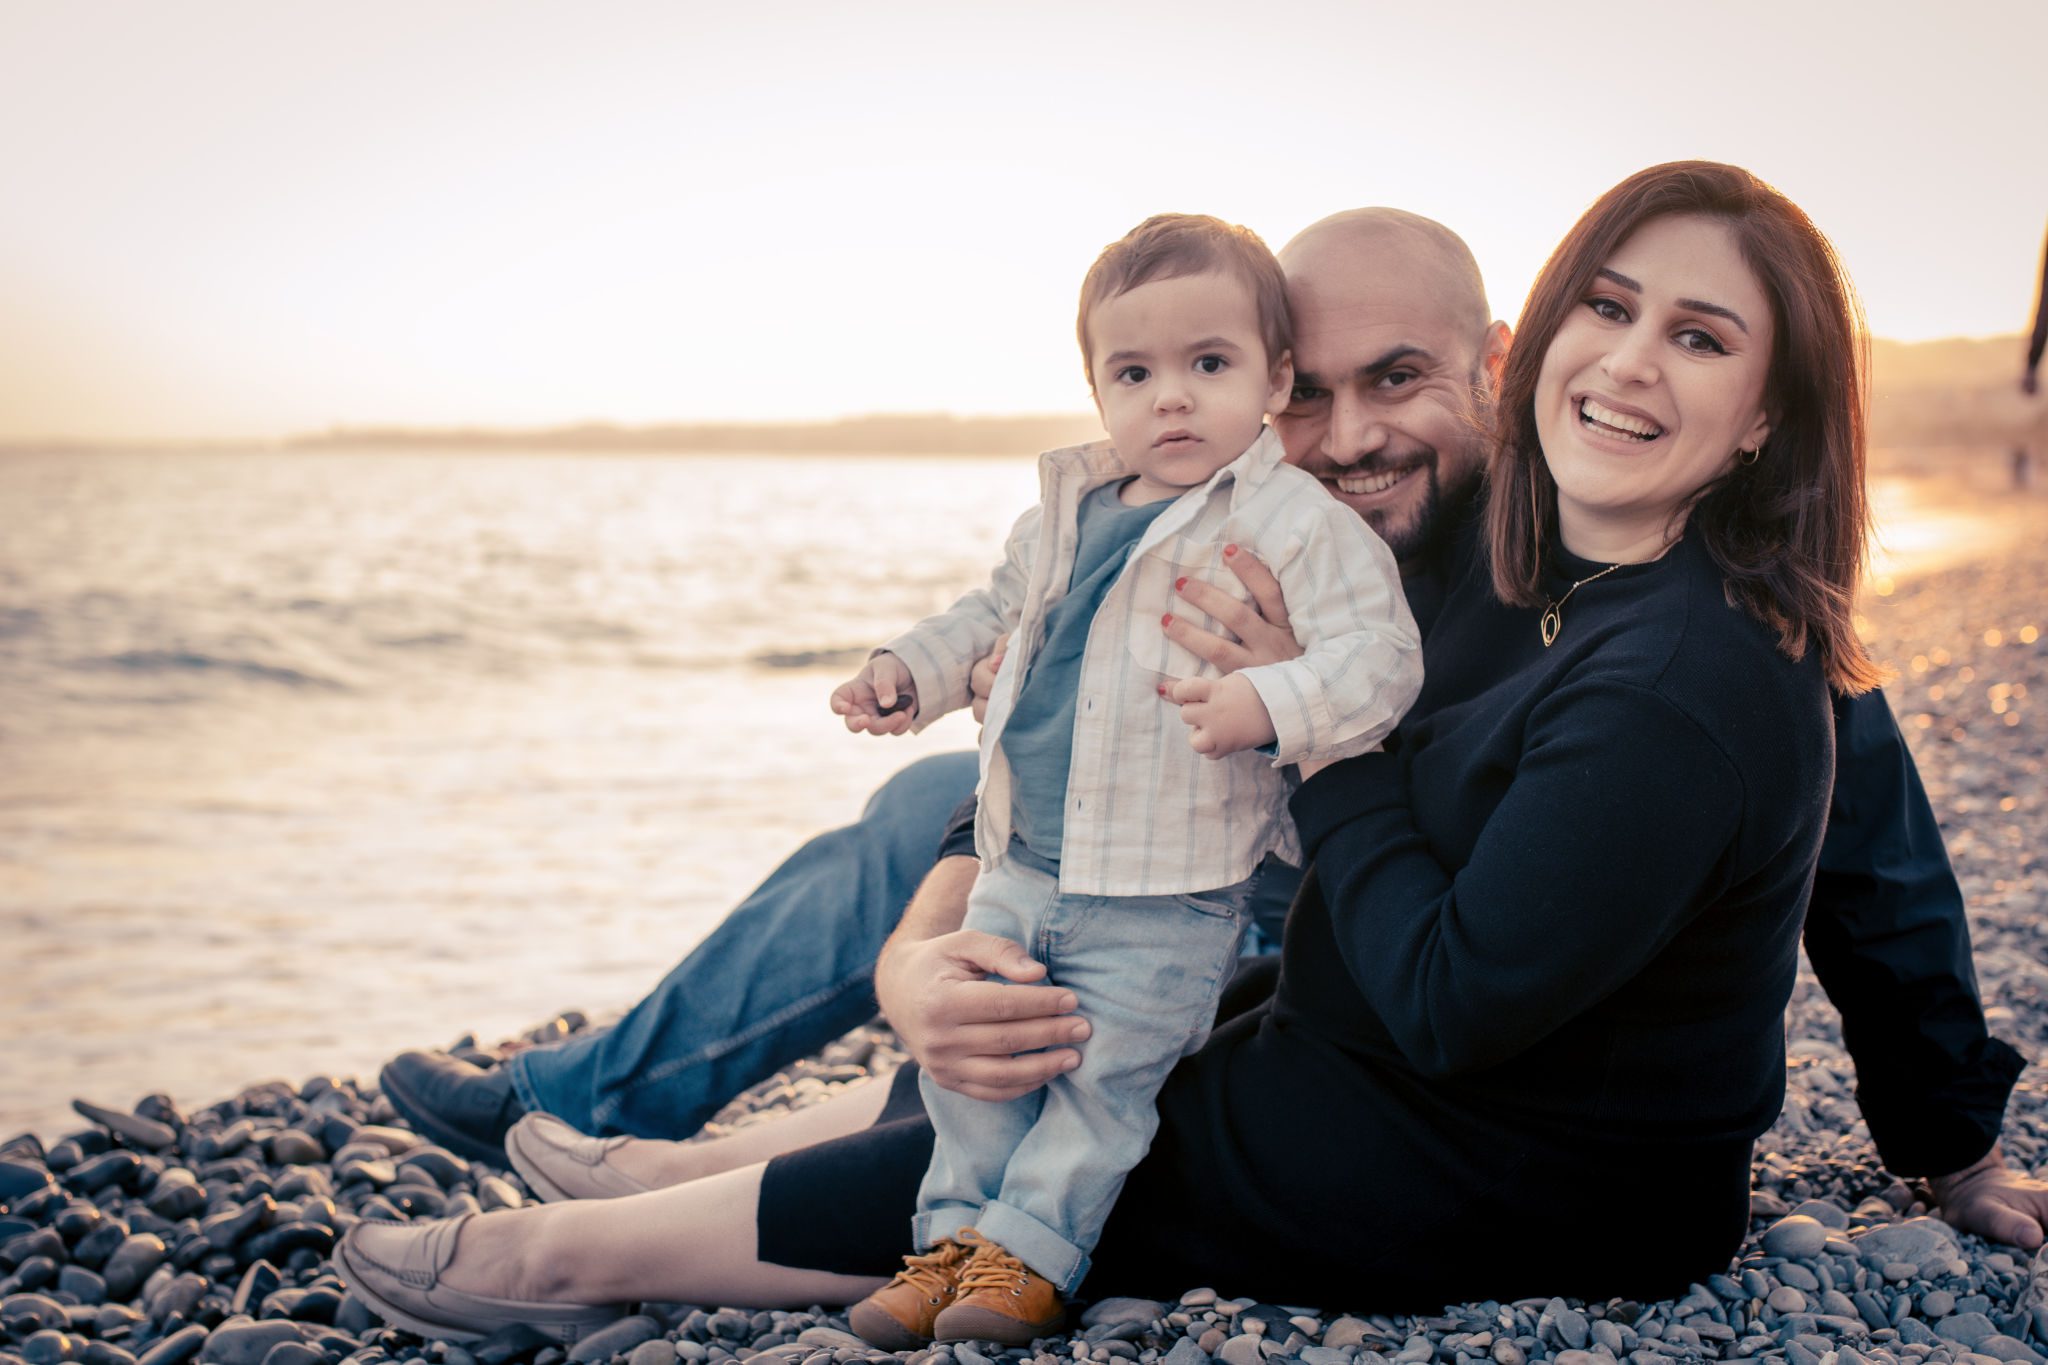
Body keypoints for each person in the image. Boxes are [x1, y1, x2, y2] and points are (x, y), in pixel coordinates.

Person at [334, 165, 2035, 1344]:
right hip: (1273, 905)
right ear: (1260, 390)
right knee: (952, 819)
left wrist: (1944, 1136)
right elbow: (1047, 741)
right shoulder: (1264, 529)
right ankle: (622, 1116)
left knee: (1128, 1073)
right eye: (1311, 393)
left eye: (1403, 381)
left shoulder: (1613, 581)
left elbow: (1858, 846)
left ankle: (629, 1220)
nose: (1355, 437)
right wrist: (922, 958)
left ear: (1488, 367)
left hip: (1381, 965)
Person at [829, 213, 1420, 1347]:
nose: (1172, 398)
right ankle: (947, 1243)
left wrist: (1272, 700)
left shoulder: (1293, 520)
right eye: (1134, 371)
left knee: (1100, 1083)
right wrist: (911, 669)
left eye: (1209, 364)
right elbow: (990, 617)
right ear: (1096, 389)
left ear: (1272, 376)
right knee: (979, 1070)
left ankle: (1031, 1260)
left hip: (1168, 883)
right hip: (1024, 857)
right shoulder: (1064, 513)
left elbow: (1382, 662)